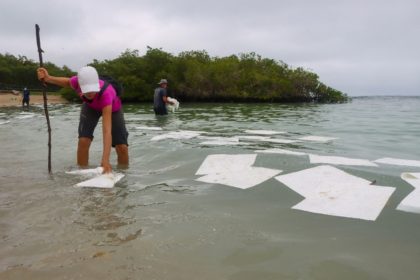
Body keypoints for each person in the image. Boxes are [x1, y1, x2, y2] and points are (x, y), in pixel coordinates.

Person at [37, 66, 129, 174]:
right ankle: (82, 173)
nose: (90, 93)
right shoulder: (76, 82)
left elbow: (106, 131)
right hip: (90, 107)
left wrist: (105, 160)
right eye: (86, 90)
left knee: (121, 147)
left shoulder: (107, 93)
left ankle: (124, 175)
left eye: (92, 89)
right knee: (83, 140)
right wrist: (48, 78)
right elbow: (67, 82)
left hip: (112, 109)